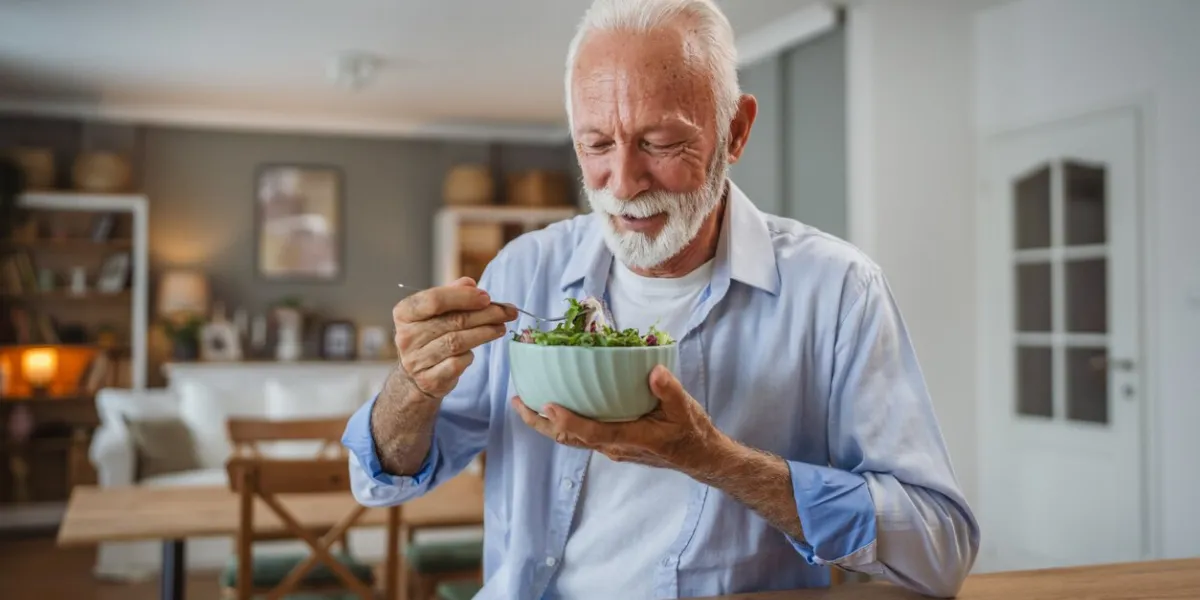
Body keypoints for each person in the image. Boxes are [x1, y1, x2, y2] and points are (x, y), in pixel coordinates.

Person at [342, 0, 980, 597]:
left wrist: (713, 459)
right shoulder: (524, 270)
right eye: (596, 145)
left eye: (661, 143)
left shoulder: (838, 292)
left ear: (735, 130)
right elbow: (384, 480)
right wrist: (414, 386)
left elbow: (939, 547)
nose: (623, 183)